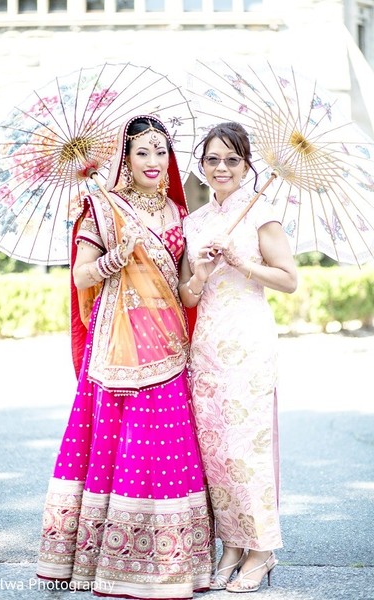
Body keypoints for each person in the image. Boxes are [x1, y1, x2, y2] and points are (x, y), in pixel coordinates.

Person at [36, 115, 213, 598]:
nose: (154, 161)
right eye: (143, 152)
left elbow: (182, 289)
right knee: (122, 445)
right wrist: (114, 259)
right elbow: (81, 277)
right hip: (118, 341)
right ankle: (108, 562)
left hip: (169, 343)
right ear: (125, 159)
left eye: (162, 151)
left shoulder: (180, 214)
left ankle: (174, 563)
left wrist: (198, 276)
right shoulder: (102, 208)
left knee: (169, 449)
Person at [179, 121, 298, 594]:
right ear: (201, 166)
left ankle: (263, 549)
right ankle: (231, 544)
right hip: (205, 346)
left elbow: (289, 279)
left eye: (232, 159)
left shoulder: (263, 215)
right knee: (216, 451)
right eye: (213, 159)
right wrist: (202, 273)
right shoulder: (194, 222)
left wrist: (242, 261)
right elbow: (188, 298)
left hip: (248, 343)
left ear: (247, 164)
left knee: (246, 449)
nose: (222, 167)